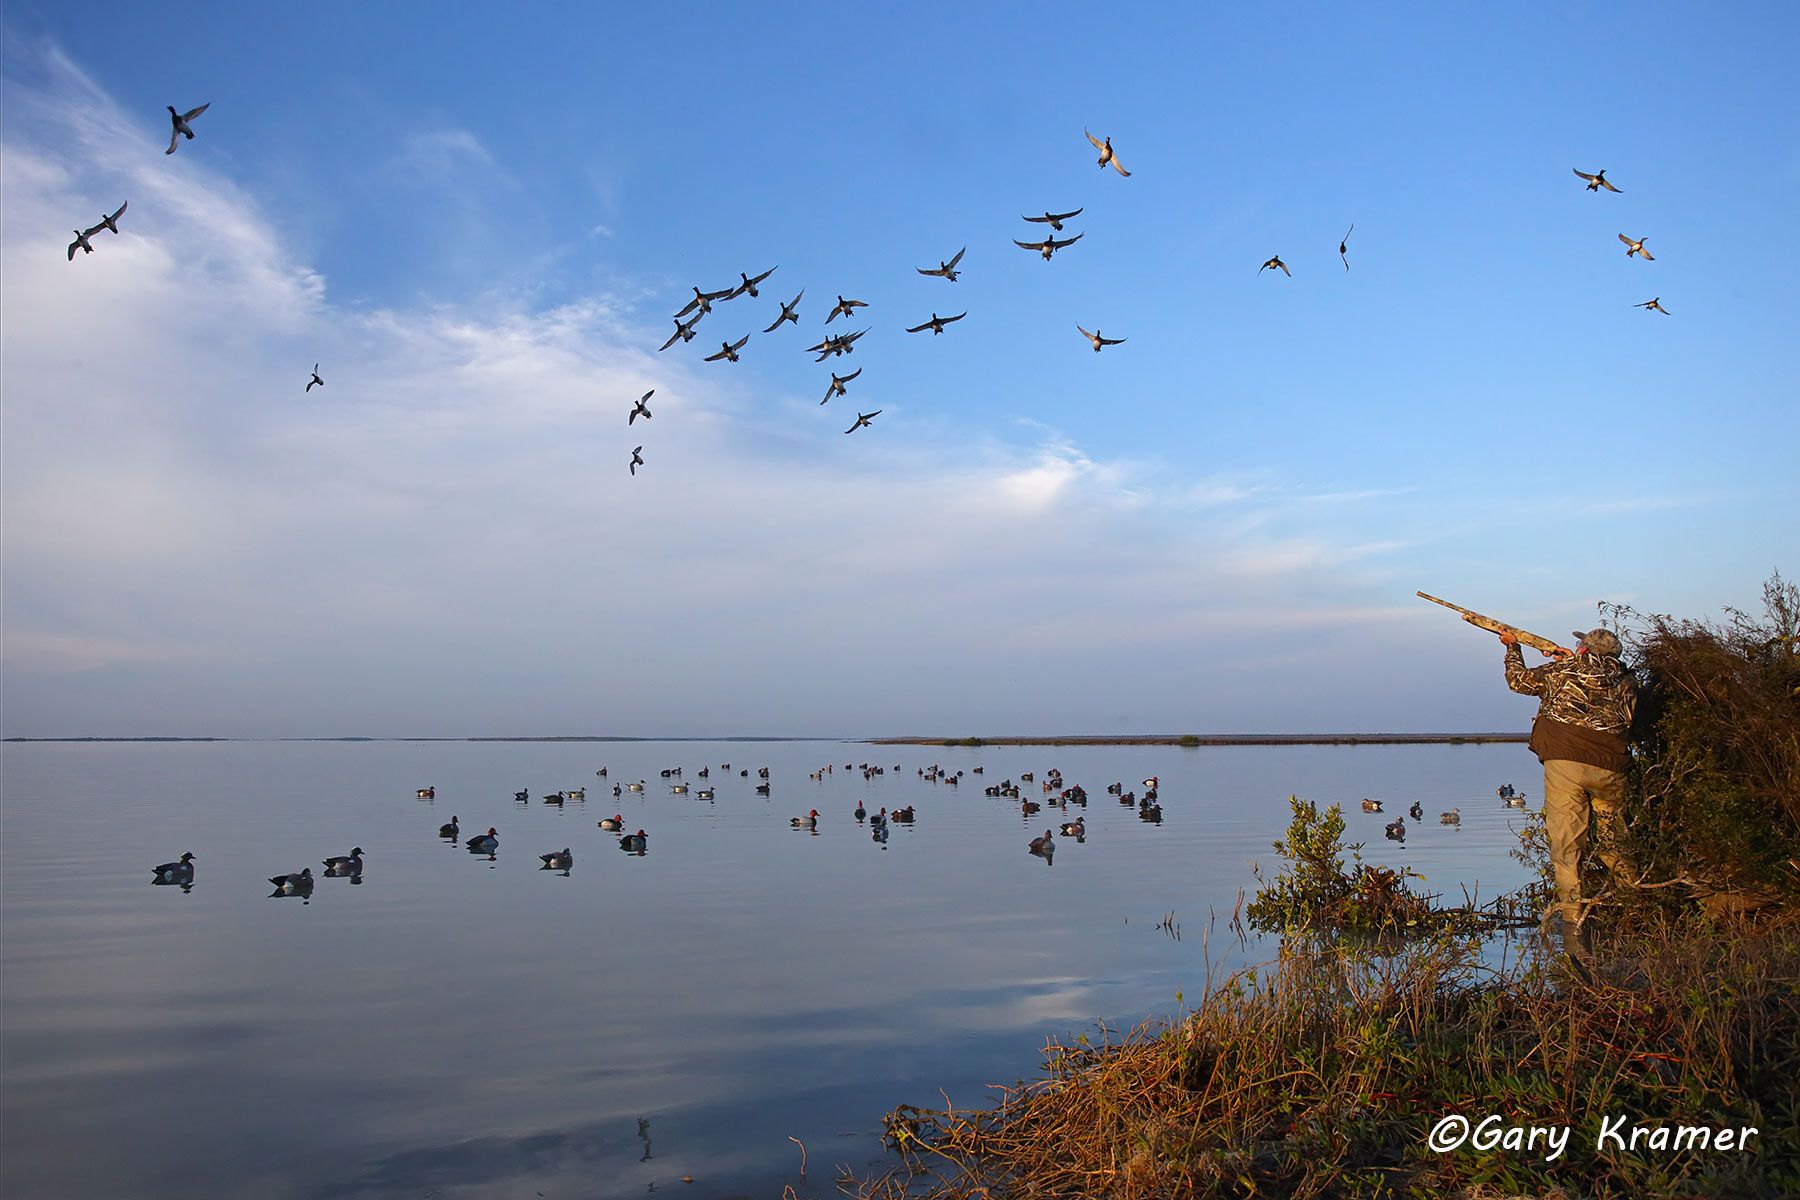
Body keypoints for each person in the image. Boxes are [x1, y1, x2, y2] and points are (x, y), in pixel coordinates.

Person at [1498, 626, 1637, 927]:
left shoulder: (1563, 671)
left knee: (1566, 847)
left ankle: (1573, 923)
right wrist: (1567, 660)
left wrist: (1512, 647)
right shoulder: (1627, 680)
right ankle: (1637, 904)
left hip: (1566, 764)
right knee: (1615, 842)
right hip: (1612, 767)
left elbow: (1517, 681)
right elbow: (1630, 719)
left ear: (1584, 649)